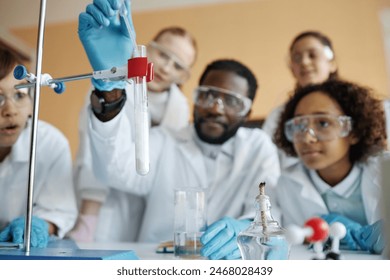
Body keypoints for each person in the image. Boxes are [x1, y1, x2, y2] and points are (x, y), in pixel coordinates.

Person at [77, 0, 281, 259]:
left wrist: (247, 226)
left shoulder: (257, 147)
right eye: (208, 96)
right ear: (195, 98)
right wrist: (112, 85)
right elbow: (113, 169)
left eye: (231, 101)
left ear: (247, 112)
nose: (216, 109)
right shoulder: (165, 140)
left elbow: (270, 206)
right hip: (156, 262)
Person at [68, 23, 197, 242]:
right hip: (98, 203)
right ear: (148, 48)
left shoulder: (180, 107)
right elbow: (93, 149)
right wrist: (87, 218)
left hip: (143, 207)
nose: (166, 68)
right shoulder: (111, 84)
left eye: (178, 66)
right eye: (163, 55)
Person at [273, 79, 387, 254]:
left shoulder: (384, 171)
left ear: (354, 132)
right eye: (299, 125)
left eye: (323, 123)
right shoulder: (285, 183)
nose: (307, 138)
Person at [0, 47, 77, 248]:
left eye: (20, 95)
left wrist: (39, 224)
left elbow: (59, 211)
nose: (10, 111)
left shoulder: (50, 143)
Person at [262, 31, 338, 167]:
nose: (304, 62)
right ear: (292, 69)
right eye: (297, 58)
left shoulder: (358, 108)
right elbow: (266, 165)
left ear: (332, 63)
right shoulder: (277, 116)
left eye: (312, 55)